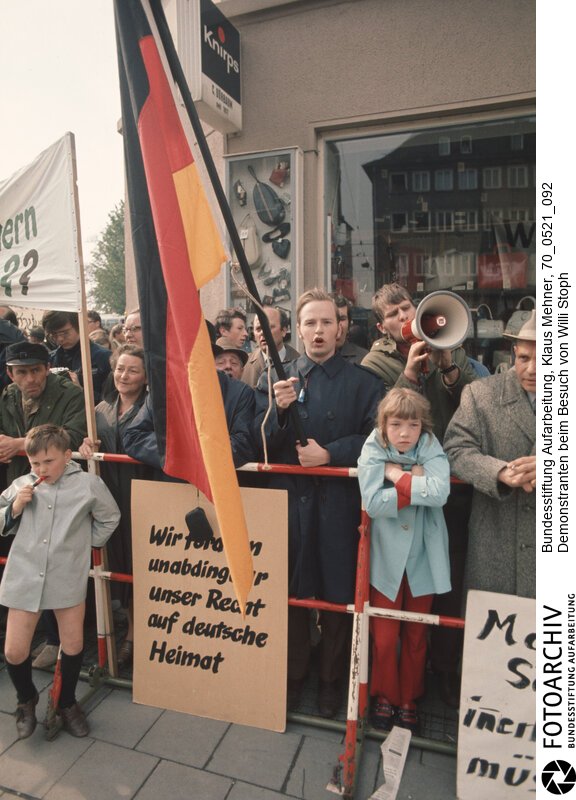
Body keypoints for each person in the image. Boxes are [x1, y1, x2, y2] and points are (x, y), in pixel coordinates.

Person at [254, 288, 381, 717]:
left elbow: (379, 438)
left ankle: (330, 682)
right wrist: (280, 411)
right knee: (290, 595)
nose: (319, 330)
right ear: (298, 329)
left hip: (341, 507)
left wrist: (332, 454)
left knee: (338, 596)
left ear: (340, 328)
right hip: (290, 507)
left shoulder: (364, 383)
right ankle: (293, 677)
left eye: (327, 322)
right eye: (310, 322)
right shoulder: (277, 378)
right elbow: (261, 444)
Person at [361, 282, 477, 707]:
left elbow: (473, 399)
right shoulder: (375, 363)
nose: (403, 318)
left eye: (407, 307)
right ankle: (385, 695)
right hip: (394, 540)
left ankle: (419, 692)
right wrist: (410, 374)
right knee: (387, 629)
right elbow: (381, 419)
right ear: (382, 325)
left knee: (420, 627)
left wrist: (448, 367)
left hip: (435, 509)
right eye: (392, 315)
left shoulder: (456, 352)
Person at [0, 424, 120, 739]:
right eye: (35, 463)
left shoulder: (88, 484)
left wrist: (87, 545)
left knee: (74, 643)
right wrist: (15, 507)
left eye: (49, 462)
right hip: (24, 574)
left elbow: (111, 516)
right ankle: (26, 699)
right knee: (14, 651)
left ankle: (67, 703)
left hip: (67, 574)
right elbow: (1, 521)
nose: (41, 469)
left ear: (68, 456)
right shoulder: (21, 484)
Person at [357, 389, 450, 733]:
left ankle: (409, 698)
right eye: (396, 424)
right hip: (386, 557)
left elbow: (441, 494)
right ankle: (385, 695)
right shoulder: (373, 446)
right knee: (383, 635)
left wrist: (396, 476)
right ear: (384, 424)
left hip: (424, 555)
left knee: (416, 634)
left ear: (422, 426)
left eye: (413, 424)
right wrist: (418, 480)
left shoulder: (429, 443)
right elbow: (372, 503)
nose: (405, 433)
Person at [443, 310, 536, 600]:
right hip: (496, 547)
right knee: (492, 643)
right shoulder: (481, 394)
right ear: (513, 354)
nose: (533, 369)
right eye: (524, 358)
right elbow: (455, 448)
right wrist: (498, 472)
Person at [79, 345, 153, 669]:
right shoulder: (100, 409)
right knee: (118, 566)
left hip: (142, 492)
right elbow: (88, 445)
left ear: (146, 376)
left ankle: (137, 637)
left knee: (142, 566)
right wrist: (86, 445)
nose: (124, 375)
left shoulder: (154, 407)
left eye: (133, 370)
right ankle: (128, 630)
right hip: (111, 496)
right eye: (120, 368)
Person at [42, 310, 112, 404]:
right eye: (54, 335)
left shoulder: (104, 357)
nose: (60, 339)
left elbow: (112, 401)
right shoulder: (50, 359)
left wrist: (81, 391)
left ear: (79, 326)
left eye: (64, 333)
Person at [242, 306, 299, 389]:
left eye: (268, 327)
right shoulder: (244, 365)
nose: (262, 332)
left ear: (284, 331)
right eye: (258, 329)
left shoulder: (299, 363)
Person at [333, 294, 368, 364]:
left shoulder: (365, 360)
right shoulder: (313, 359)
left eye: (342, 319)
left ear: (349, 323)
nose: (338, 325)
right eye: (331, 319)